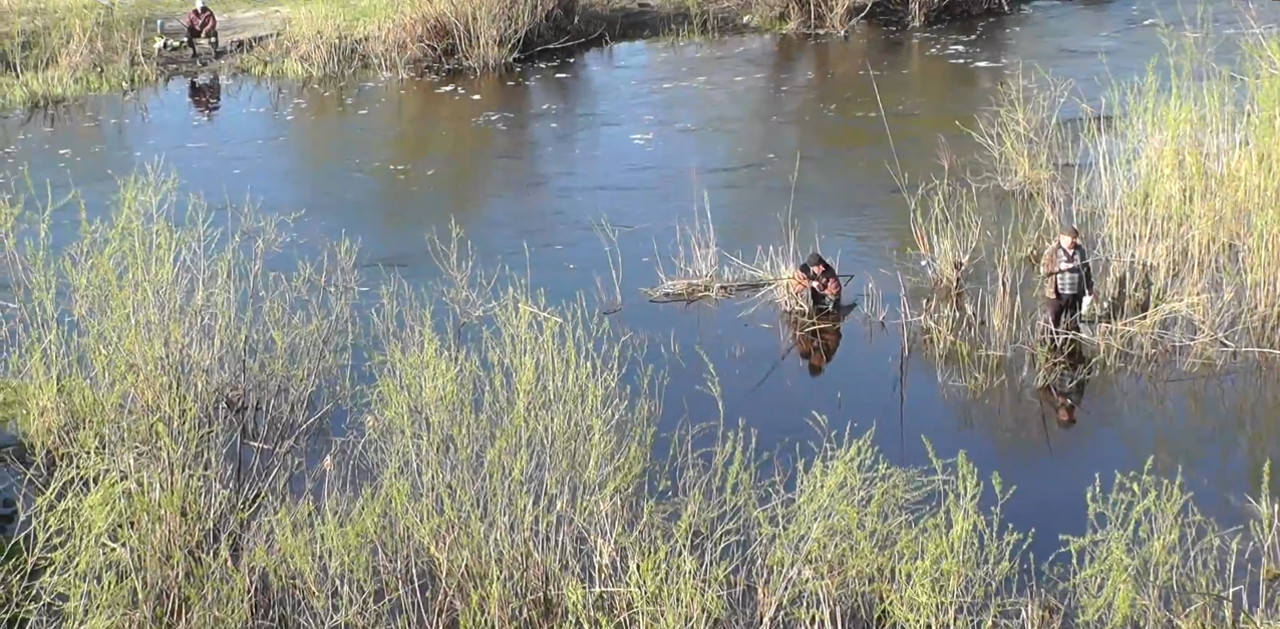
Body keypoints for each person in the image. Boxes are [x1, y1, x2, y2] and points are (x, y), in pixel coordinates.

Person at [1040, 225, 1094, 341]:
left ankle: (1072, 348)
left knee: (1073, 325)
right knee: (1052, 324)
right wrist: (1058, 267)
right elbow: (1043, 270)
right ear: (1062, 237)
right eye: (1072, 238)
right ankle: (1050, 348)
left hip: (1075, 295)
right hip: (1056, 296)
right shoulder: (1052, 251)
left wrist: (1089, 287)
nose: (1074, 241)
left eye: (1075, 238)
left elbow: (1086, 269)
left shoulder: (1080, 251)